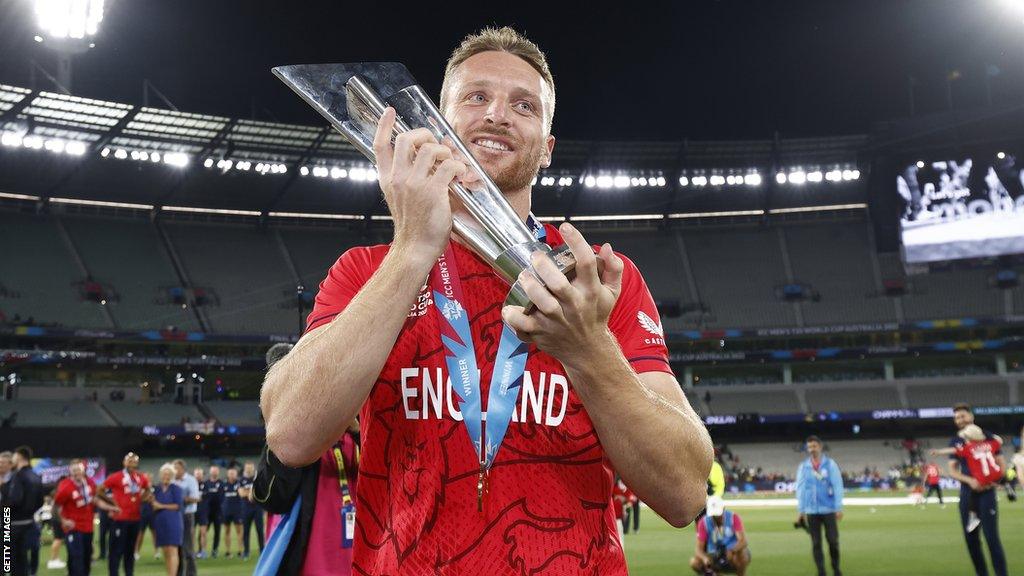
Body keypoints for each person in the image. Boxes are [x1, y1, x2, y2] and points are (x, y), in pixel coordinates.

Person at [259, 26, 712, 574]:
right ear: (437, 124)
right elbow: (290, 435)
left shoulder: (596, 281)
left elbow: (685, 492)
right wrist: (411, 251)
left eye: (524, 105)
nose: (497, 115)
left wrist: (588, 348)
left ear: (547, 148)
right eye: (477, 98)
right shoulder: (365, 271)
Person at [944, 403, 1008, 576]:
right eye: (957, 418)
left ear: (971, 416)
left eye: (962, 416)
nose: (960, 420)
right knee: (971, 540)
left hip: (987, 494)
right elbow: (952, 470)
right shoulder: (956, 441)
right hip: (967, 495)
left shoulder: (988, 437)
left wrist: (993, 481)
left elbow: (1001, 465)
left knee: (991, 538)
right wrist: (970, 481)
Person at [53, 459, 121, 576]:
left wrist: (111, 507)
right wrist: (64, 521)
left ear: (83, 471)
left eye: (78, 470)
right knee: (77, 559)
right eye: (74, 470)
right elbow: (55, 508)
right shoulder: (65, 486)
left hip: (88, 527)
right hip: (73, 528)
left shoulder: (89, 483)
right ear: (70, 471)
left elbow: (95, 500)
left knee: (86, 559)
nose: (76, 473)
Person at [795, 435, 844, 576]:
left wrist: (838, 507)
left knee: (833, 541)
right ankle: (821, 571)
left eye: (814, 446)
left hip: (828, 510)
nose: (812, 449)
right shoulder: (804, 467)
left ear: (820, 447)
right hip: (811, 511)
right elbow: (801, 489)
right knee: (816, 543)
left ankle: (836, 568)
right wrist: (801, 510)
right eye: (809, 447)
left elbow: (837, 486)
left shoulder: (830, 465)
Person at [100, 452, 152, 576]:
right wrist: (112, 502)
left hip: (135, 519)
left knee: (130, 551)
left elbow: (148, 488)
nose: (131, 463)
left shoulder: (140, 477)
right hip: (119, 519)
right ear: (124, 463)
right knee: (116, 551)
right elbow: (99, 490)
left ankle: (129, 573)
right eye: (129, 461)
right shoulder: (116, 476)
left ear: (137, 463)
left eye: (134, 461)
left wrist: (142, 498)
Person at [4, 446, 45, 576]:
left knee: (10, 562)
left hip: (13, 525)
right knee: (24, 560)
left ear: (20, 457)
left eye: (14, 456)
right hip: (29, 523)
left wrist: (4, 512)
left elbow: (15, 500)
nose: (12, 459)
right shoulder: (36, 476)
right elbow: (40, 502)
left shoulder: (19, 476)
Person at [689, 496, 750, 576]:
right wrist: (705, 559)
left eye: (718, 514)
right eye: (714, 515)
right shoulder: (703, 522)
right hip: (714, 553)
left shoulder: (733, 518)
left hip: (732, 553)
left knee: (741, 555)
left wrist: (733, 550)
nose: (716, 517)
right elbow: (698, 549)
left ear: (723, 508)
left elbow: (743, 541)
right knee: (695, 562)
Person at [151, 464, 184, 576]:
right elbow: (152, 503)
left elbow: (177, 506)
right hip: (160, 522)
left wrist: (161, 506)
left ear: (172, 476)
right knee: (165, 551)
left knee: (173, 550)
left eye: (169, 474)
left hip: (173, 522)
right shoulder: (157, 489)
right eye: (164, 474)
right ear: (160, 475)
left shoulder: (176, 489)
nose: (166, 476)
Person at [172, 460, 200, 576]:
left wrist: (181, 499)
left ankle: (191, 573)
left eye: (176, 468)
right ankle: (179, 572)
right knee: (177, 546)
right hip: (174, 515)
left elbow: (196, 498)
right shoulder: (172, 480)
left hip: (187, 515)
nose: (174, 471)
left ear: (183, 469)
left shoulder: (191, 480)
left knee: (187, 546)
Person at [237, 461, 264, 560]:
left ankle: (262, 551)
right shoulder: (241, 480)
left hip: (257, 508)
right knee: (246, 531)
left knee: (260, 530)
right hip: (245, 509)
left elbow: (261, 492)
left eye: (250, 467)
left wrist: (248, 491)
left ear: (253, 468)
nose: (249, 469)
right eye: (247, 467)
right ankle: (246, 552)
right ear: (245, 469)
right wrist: (253, 491)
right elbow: (241, 494)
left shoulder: (258, 479)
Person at [197, 465, 224, 559]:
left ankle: (214, 550)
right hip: (206, 511)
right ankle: (201, 550)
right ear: (210, 472)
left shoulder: (221, 483)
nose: (214, 473)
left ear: (218, 472)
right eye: (212, 471)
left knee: (217, 532)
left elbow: (222, 498)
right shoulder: (206, 483)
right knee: (202, 532)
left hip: (217, 512)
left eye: (215, 471)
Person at [220, 467, 243, 558]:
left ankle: (240, 551)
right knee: (227, 531)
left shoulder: (240, 484)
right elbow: (220, 498)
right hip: (226, 511)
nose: (232, 475)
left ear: (236, 474)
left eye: (233, 473)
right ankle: (228, 551)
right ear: (227, 474)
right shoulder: (223, 484)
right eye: (230, 473)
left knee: (239, 531)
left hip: (237, 511)